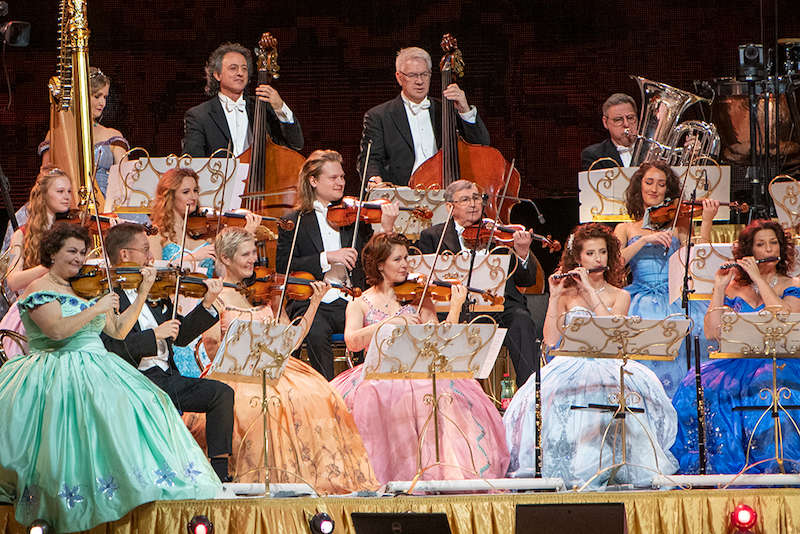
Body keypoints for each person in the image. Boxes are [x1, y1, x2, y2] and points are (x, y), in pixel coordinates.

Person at [0, 223, 220, 532]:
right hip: (56, 365)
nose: (78, 259)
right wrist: (97, 308)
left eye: (81, 252)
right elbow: (57, 331)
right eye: (71, 252)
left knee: (149, 400)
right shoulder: (40, 288)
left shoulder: (81, 286)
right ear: (52, 253)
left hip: (97, 363)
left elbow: (117, 330)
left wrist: (142, 291)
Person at [190, 226, 379, 492]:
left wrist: (314, 303)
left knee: (319, 394)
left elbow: (293, 341)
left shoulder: (258, 293)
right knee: (263, 406)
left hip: (277, 367)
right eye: (245, 254)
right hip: (236, 373)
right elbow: (212, 349)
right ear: (225, 258)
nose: (253, 260)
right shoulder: (216, 299)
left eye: (253, 253)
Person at [503, 223, 678, 488]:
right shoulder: (565, 294)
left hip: (609, 364)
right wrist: (554, 297)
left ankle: (617, 467)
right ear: (578, 258)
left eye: (602, 253)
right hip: (568, 364)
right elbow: (550, 341)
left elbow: (613, 333)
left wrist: (589, 292)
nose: (598, 259)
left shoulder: (621, 295)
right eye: (590, 254)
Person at [331, 232, 509, 483]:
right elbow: (352, 341)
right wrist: (391, 323)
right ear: (380, 264)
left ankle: (444, 471)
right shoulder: (359, 303)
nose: (405, 264)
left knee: (442, 393)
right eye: (398, 259)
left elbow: (440, 341)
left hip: (418, 371)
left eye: (407, 258)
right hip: (378, 373)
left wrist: (456, 306)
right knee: (375, 395)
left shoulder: (420, 296)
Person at [99, 222, 235, 483]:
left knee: (221, 393)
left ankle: (220, 474)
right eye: (145, 250)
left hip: (166, 377)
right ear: (125, 254)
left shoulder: (155, 291)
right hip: (135, 381)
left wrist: (206, 304)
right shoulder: (108, 295)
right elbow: (113, 350)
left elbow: (180, 336)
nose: (151, 258)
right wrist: (154, 335)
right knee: (162, 402)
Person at [672, 220, 800, 474]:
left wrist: (758, 279)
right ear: (749, 251)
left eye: (773, 243)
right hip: (739, 360)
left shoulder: (791, 283)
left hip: (780, 359)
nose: (768, 250)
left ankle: (773, 464)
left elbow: (784, 318)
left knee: (766, 383)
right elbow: (712, 332)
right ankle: (715, 463)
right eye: (761, 244)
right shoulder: (735, 287)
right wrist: (719, 289)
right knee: (692, 384)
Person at [276, 149, 398, 380]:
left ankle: (366, 386)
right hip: (314, 299)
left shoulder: (353, 216)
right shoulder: (294, 220)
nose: (341, 182)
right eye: (333, 178)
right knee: (315, 331)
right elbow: (283, 265)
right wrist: (326, 257)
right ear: (313, 180)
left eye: (342, 177)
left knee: (372, 326)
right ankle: (328, 392)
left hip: (352, 297)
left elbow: (373, 258)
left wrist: (386, 228)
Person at [415, 179, 539, 387]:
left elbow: (526, 279)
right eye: (465, 200)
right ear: (449, 207)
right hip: (455, 305)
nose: (473, 204)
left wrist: (523, 253)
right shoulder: (432, 236)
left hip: (499, 304)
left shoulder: (497, 232)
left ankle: (531, 391)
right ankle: (454, 391)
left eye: (476, 198)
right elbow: (428, 277)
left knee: (521, 319)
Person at [613, 161, 719, 397]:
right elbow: (615, 263)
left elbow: (698, 260)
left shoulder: (679, 224)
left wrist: (708, 220)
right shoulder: (626, 228)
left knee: (694, 332)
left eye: (661, 184)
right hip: (640, 295)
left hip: (674, 296)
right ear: (639, 187)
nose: (654, 189)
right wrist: (642, 241)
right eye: (649, 182)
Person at [149, 167, 259, 376]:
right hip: (177, 310)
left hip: (205, 310)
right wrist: (193, 258)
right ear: (169, 196)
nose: (193, 197)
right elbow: (158, 273)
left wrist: (244, 237)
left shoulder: (203, 237)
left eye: (196, 191)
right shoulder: (157, 236)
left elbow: (222, 271)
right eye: (186, 192)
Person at [357, 46, 490, 187]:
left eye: (424, 74)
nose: (420, 81)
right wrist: (373, 179)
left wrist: (465, 109)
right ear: (399, 77)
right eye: (413, 75)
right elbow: (370, 159)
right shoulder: (379, 116)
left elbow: (481, 145)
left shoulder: (446, 109)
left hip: (447, 191)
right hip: (403, 194)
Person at [0, 167, 74, 359]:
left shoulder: (72, 230)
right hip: (34, 306)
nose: (67, 196)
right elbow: (13, 282)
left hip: (67, 305)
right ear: (43, 195)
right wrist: (47, 268)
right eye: (60, 191)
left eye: (69, 191)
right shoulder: (22, 233)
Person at [182, 42, 303, 157]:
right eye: (233, 68)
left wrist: (280, 106)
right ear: (217, 75)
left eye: (244, 69)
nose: (240, 73)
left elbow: (296, 143)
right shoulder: (199, 115)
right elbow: (194, 162)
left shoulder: (262, 108)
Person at [580, 93, 638, 170]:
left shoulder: (654, 151)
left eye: (630, 118)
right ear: (605, 122)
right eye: (618, 119)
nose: (626, 124)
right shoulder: (593, 155)